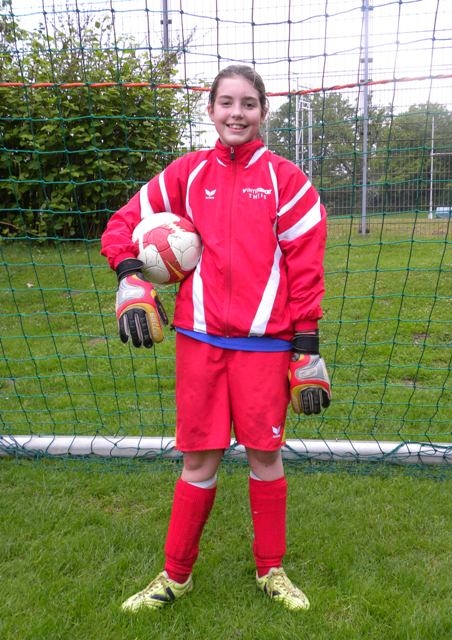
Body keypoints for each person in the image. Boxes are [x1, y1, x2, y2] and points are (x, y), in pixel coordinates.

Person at [100, 64, 331, 613]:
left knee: (265, 458)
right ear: (210, 110)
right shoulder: (186, 174)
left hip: (265, 348)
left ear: (263, 111)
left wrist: (306, 346)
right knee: (198, 462)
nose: (236, 113)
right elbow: (122, 223)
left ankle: (271, 570)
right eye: (226, 102)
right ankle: (175, 577)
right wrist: (129, 276)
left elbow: (306, 267)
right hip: (199, 343)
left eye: (248, 103)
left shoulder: (287, 181)